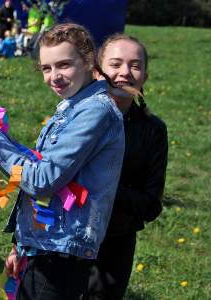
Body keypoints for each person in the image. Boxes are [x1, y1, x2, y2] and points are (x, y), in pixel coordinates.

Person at [0, 23, 125, 299]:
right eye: (47, 68)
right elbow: (38, 166)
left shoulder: (95, 112)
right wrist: (21, 245)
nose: (54, 77)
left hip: (61, 253)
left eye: (63, 65)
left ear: (87, 61)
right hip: (45, 246)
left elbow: (41, 180)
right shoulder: (74, 107)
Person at [83, 34, 168, 300]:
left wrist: (104, 187)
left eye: (135, 65)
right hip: (61, 238)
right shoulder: (75, 117)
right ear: (98, 72)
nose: (125, 73)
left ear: (145, 76)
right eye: (116, 64)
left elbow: (151, 204)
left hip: (115, 245)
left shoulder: (153, 131)